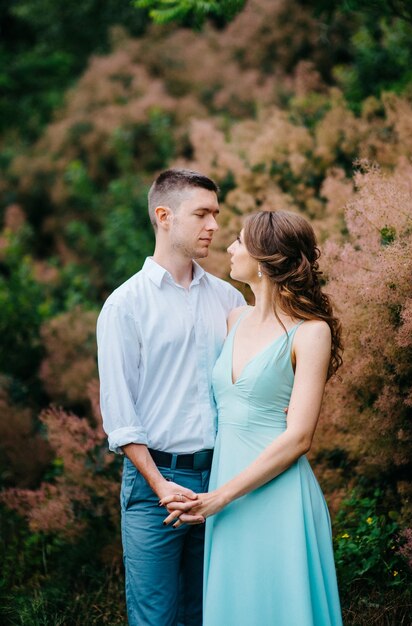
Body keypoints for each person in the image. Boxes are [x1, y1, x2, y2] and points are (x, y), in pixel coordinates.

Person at [162, 210, 344, 625]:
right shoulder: (234, 318)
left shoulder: (311, 332)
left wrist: (218, 497)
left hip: (277, 495)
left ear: (263, 260)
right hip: (225, 495)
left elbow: (299, 437)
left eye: (239, 241)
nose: (229, 247)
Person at [96, 168, 245, 626]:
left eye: (216, 214)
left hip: (220, 482)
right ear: (164, 216)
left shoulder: (226, 298)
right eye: (202, 214)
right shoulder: (125, 305)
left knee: (209, 613)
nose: (214, 226)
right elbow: (120, 415)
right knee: (155, 617)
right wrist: (162, 487)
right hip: (152, 488)